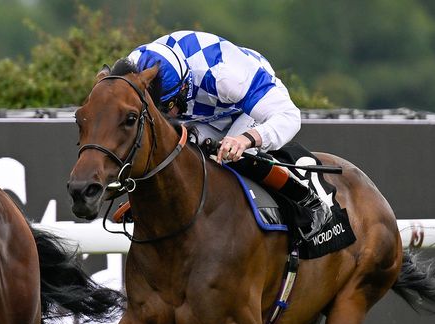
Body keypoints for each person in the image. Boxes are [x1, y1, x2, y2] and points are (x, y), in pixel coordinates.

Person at [128, 31, 332, 241]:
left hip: (244, 108)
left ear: (184, 84)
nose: (166, 114)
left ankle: (308, 201)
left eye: (169, 105)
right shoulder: (133, 66)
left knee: (233, 156)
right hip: (203, 115)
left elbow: (289, 116)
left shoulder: (225, 74)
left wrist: (245, 139)